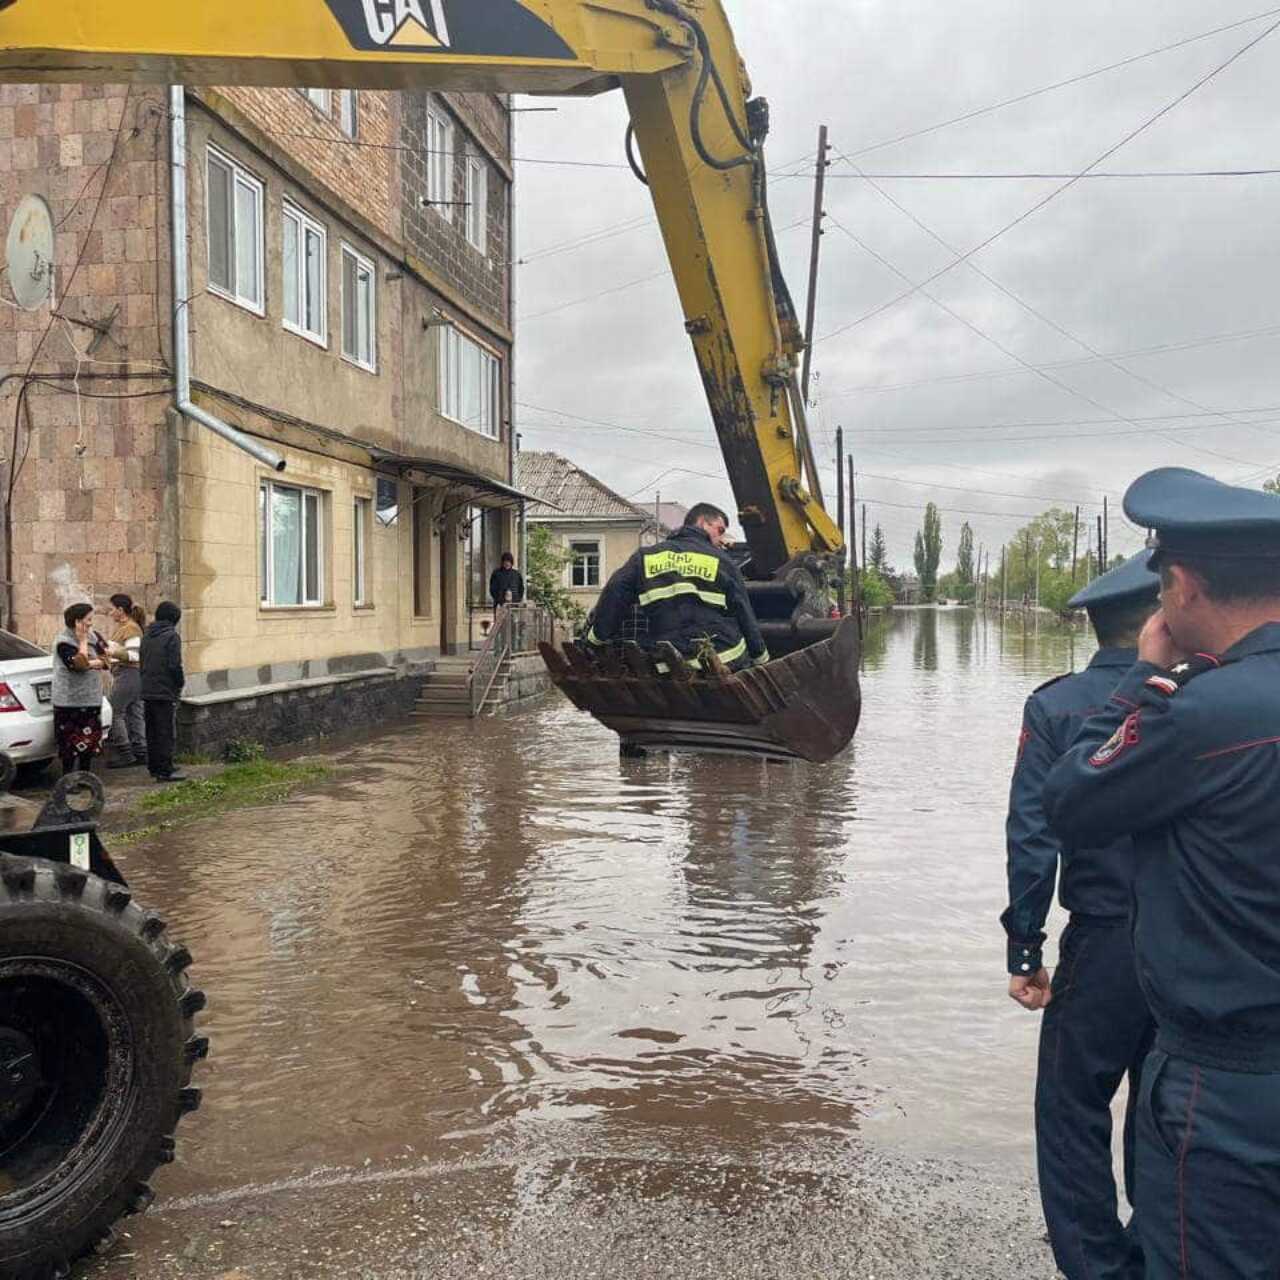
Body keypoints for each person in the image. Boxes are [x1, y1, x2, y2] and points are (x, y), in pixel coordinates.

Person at [1044, 466, 1280, 1279]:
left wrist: (1142, 683)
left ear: (1179, 586)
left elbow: (1072, 799)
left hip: (1230, 1086)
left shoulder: (1201, 714)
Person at [1003, 551, 1160, 1280]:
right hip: (1195, 940)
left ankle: (1097, 1266)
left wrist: (1025, 948)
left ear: (1093, 625)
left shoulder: (1058, 706)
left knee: (1071, 1110)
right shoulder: (1195, 696)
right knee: (1165, 1106)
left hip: (1100, 943)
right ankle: (1159, 1247)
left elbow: (1033, 835)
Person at [586, 502, 768, 671]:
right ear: (703, 523)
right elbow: (744, 613)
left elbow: (615, 594)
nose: (722, 539)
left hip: (668, 661)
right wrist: (762, 659)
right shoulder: (723, 561)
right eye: (719, 530)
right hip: (724, 657)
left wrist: (596, 639)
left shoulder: (645, 557)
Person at [51, 601, 109, 775]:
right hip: (69, 702)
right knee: (69, 745)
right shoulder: (64, 642)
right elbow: (79, 665)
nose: (91, 623)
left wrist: (95, 662)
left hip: (90, 698)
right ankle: (68, 778)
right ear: (77, 621)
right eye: (88, 619)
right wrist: (83, 641)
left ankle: (85, 776)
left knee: (89, 743)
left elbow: (106, 659)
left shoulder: (95, 636)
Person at [140, 601, 186, 783]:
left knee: (152, 731)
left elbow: (142, 662)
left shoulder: (147, 635)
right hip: (165, 689)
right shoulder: (171, 637)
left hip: (147, 688)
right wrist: (179, 683)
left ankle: (154, 767)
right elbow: (174, 665)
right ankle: (166, 770)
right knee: (165, 731)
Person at [104, 594, 147, 768]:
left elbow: (134, 654)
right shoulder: (125, 627)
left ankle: (125, 752)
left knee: (114, 712)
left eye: (112, 608)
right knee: (134, 712)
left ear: (121, 610)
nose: (110, 612)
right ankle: (141, 751)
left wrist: (110, 652)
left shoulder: (131, 628)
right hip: (130, 674)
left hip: (128, 673)